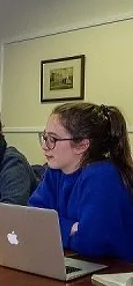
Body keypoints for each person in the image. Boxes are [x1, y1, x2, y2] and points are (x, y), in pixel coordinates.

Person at [28, 102, 133, 261]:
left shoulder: (102, 175)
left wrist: (55, 227)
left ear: (82, 145)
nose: (45, 146)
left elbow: (91, 243)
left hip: (115, 273)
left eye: (53, 139)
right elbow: (32, 218)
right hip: (80, 261)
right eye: (44, 137)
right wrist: (72, 227)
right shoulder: (55, 170)